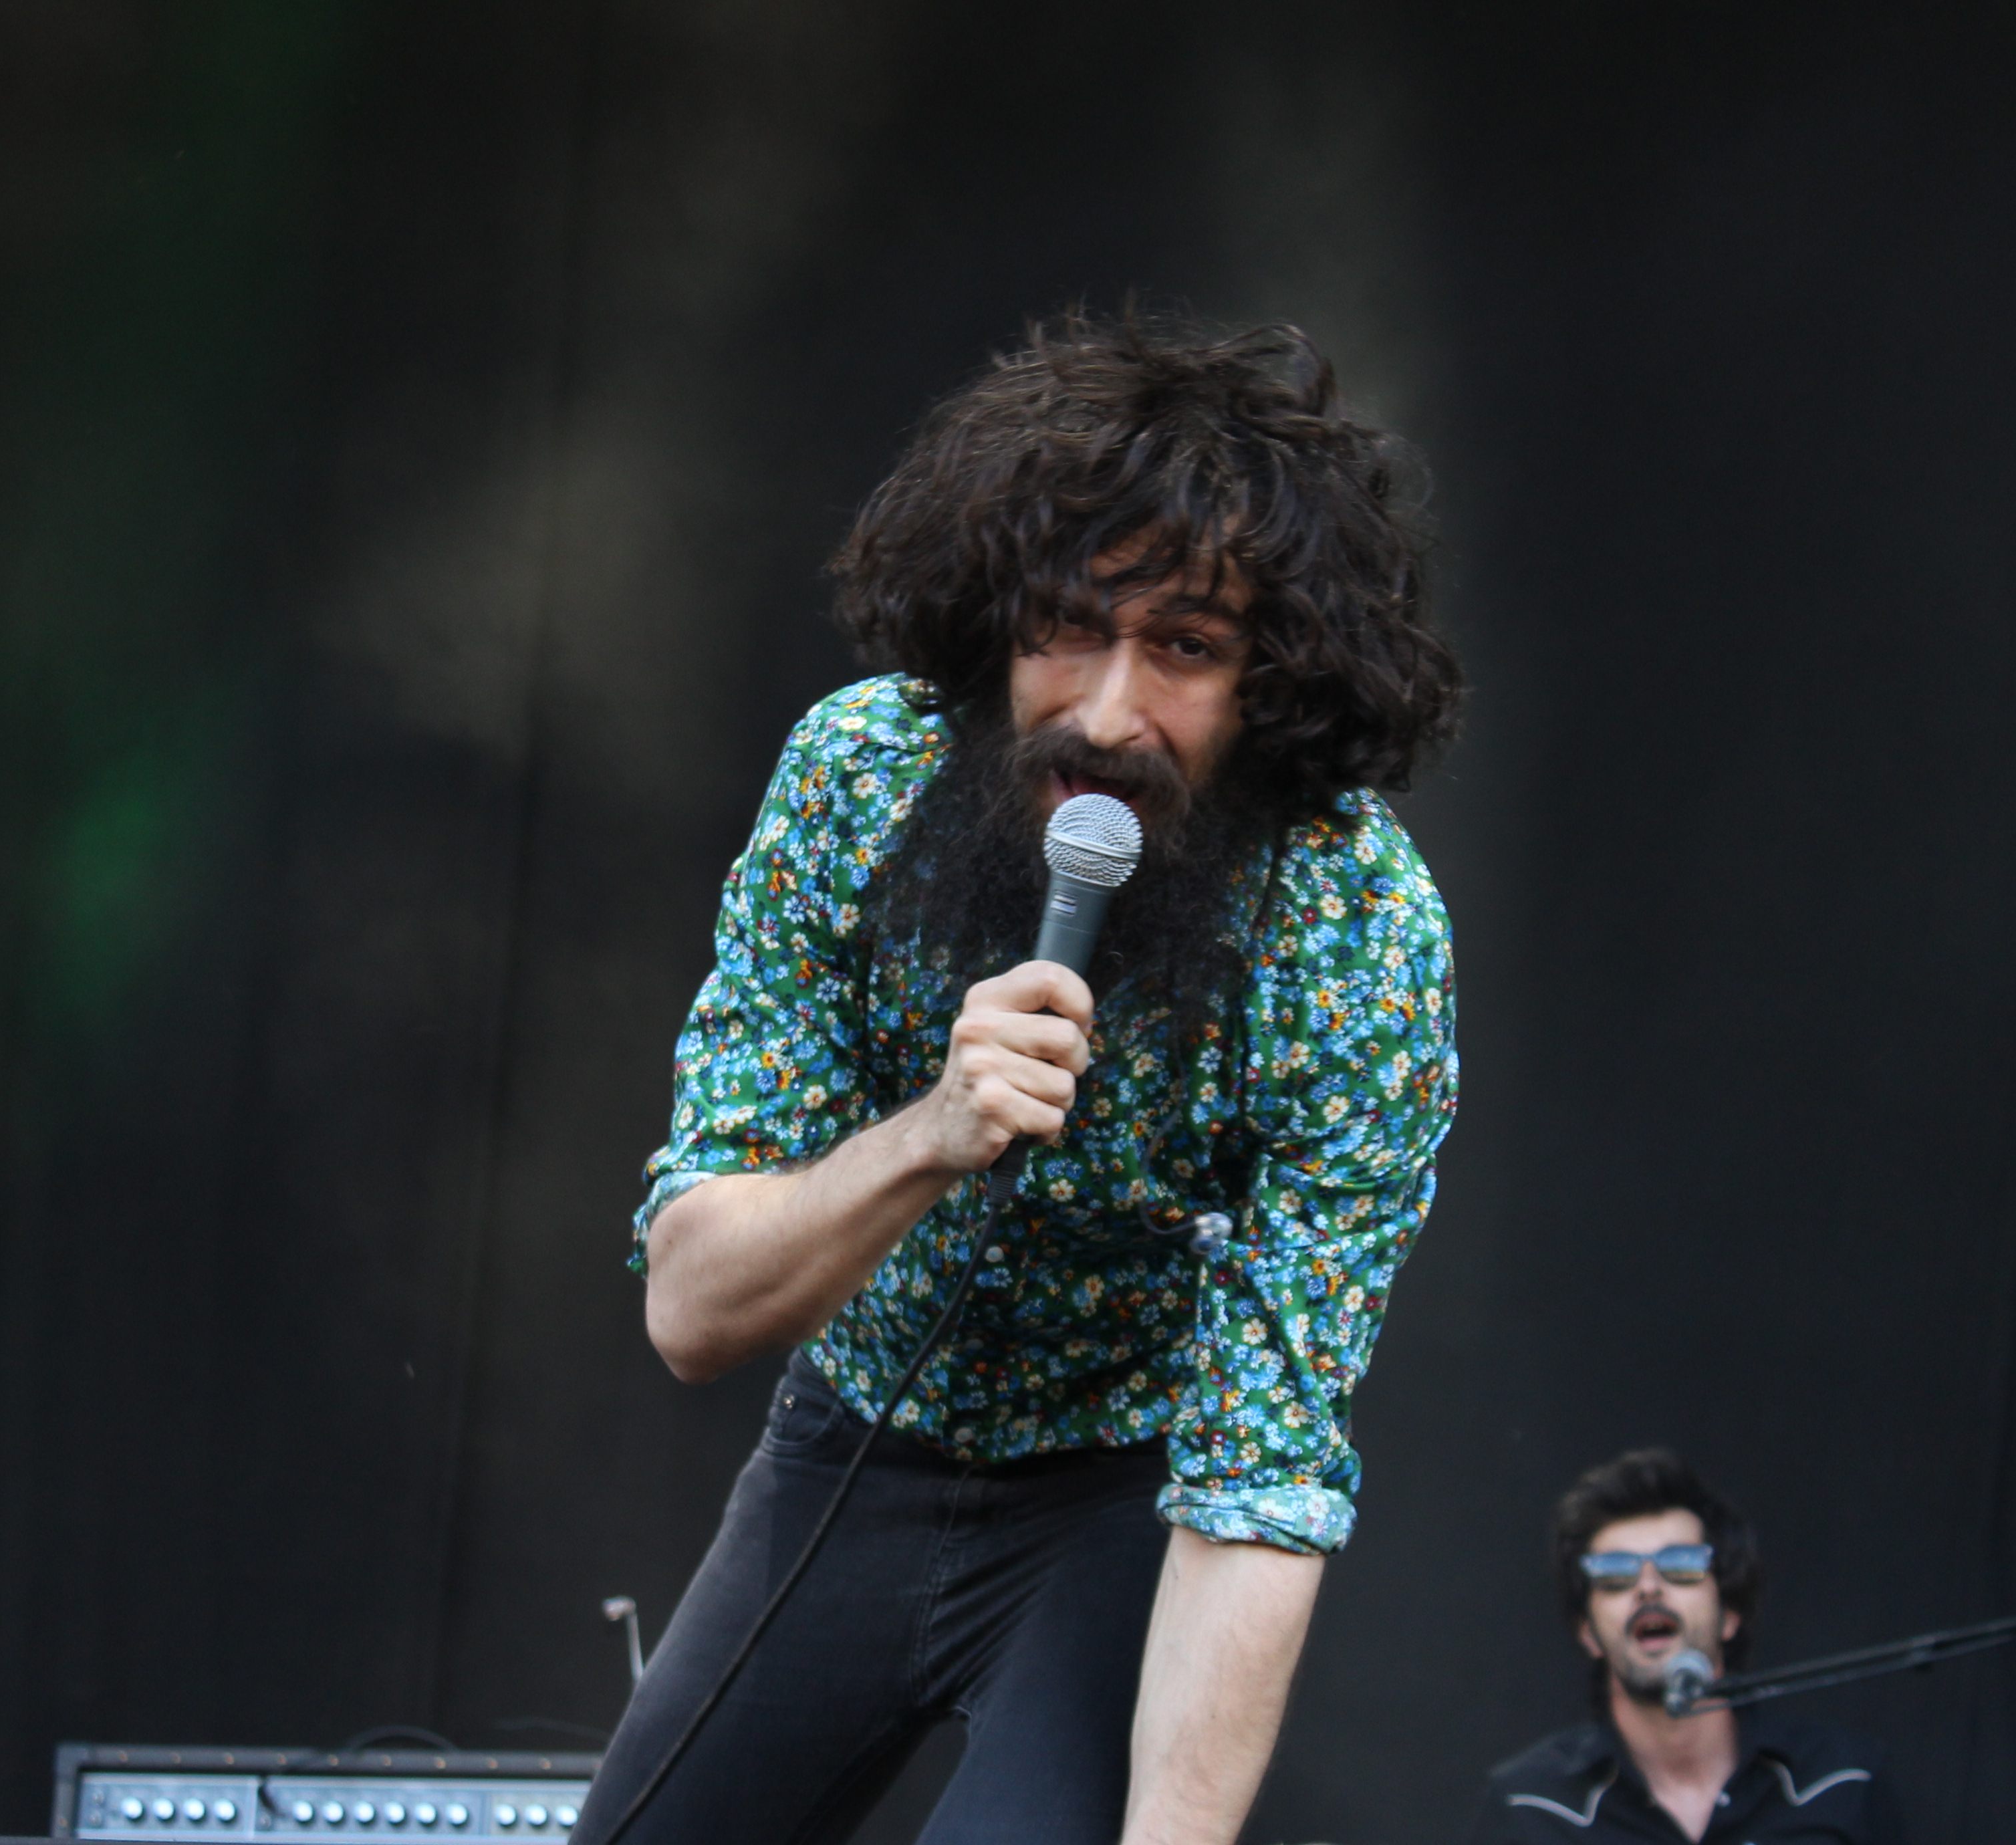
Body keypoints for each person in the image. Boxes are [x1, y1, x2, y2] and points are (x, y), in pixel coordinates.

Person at [570, 312, 1464, 1845]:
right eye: (1065, 626)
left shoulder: (1354, 926)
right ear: (991, 624)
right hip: (847, 1444)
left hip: (1118, 1500)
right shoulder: (857, 776)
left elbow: (1261, 1477)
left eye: (1184, 648)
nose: (1107, 716)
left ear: (1272, 682)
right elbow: (692, 1311)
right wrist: (929, 1133)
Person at [1469, 1449, 1902, 1844]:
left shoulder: (1842, 1782)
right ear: (1588, 1633)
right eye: (1615, 1574)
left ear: (1729, 1613)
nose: (1648, 1587)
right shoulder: (1530, 1806)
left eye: (1681, 1565)